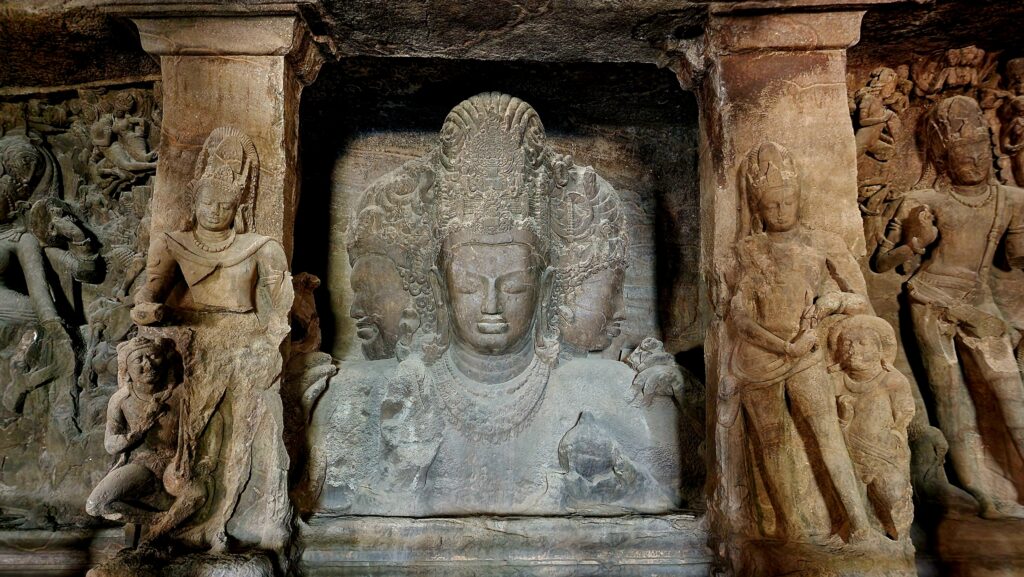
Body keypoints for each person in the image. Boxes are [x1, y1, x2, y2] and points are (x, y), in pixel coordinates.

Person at [132, 126, 293, 551]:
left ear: (240, 204)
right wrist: (147, 309)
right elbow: (149, 293)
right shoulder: (174, 243)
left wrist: (273, 336)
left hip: (245, 343)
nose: (215, 210)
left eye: (225, 203)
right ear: (194, 201)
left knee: (246, 430)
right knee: (198, 440)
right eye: (207, 201)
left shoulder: (260, 246)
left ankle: (228, 517)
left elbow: (281, 305)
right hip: (196, 345)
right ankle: (193, 509)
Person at [874, 95, 1024, 519]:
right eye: (961, 153)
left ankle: (1015, 486)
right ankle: (982, 493)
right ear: (942, 156)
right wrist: (914, 241)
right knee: (952, 400)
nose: (971, 161)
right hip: (930, 300)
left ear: (989, 147)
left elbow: (1014, 260)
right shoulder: (926, 200)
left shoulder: (1012, 200)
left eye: (978, 150)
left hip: (981, 304)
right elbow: (882, 262)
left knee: (1011, 395)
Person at [729, 141, 875, 541]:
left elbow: (860, 299)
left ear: (799, 197)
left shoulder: (822, 242)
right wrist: (778, 345)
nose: (780, 212)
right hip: (759, 357)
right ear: (756, 207)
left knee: (827, 434)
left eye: (787, 202)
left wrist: (829, 302)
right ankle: (793, 530)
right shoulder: (749, 250)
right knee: (773, 443)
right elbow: (738, 314)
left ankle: (860, 525)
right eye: (770, 206)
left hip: (806, 351)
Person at [829, 316, 914, 540]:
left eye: (862, 343)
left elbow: (905, 411)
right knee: (857, 505)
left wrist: (897, 430)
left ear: (879, 349)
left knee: (892, 497)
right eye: (847, 344)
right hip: (849, 453)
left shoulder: (892, 380)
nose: (852, 349)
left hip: (885, 454)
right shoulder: (836, 379)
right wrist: (843, 417)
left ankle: (899, 539)